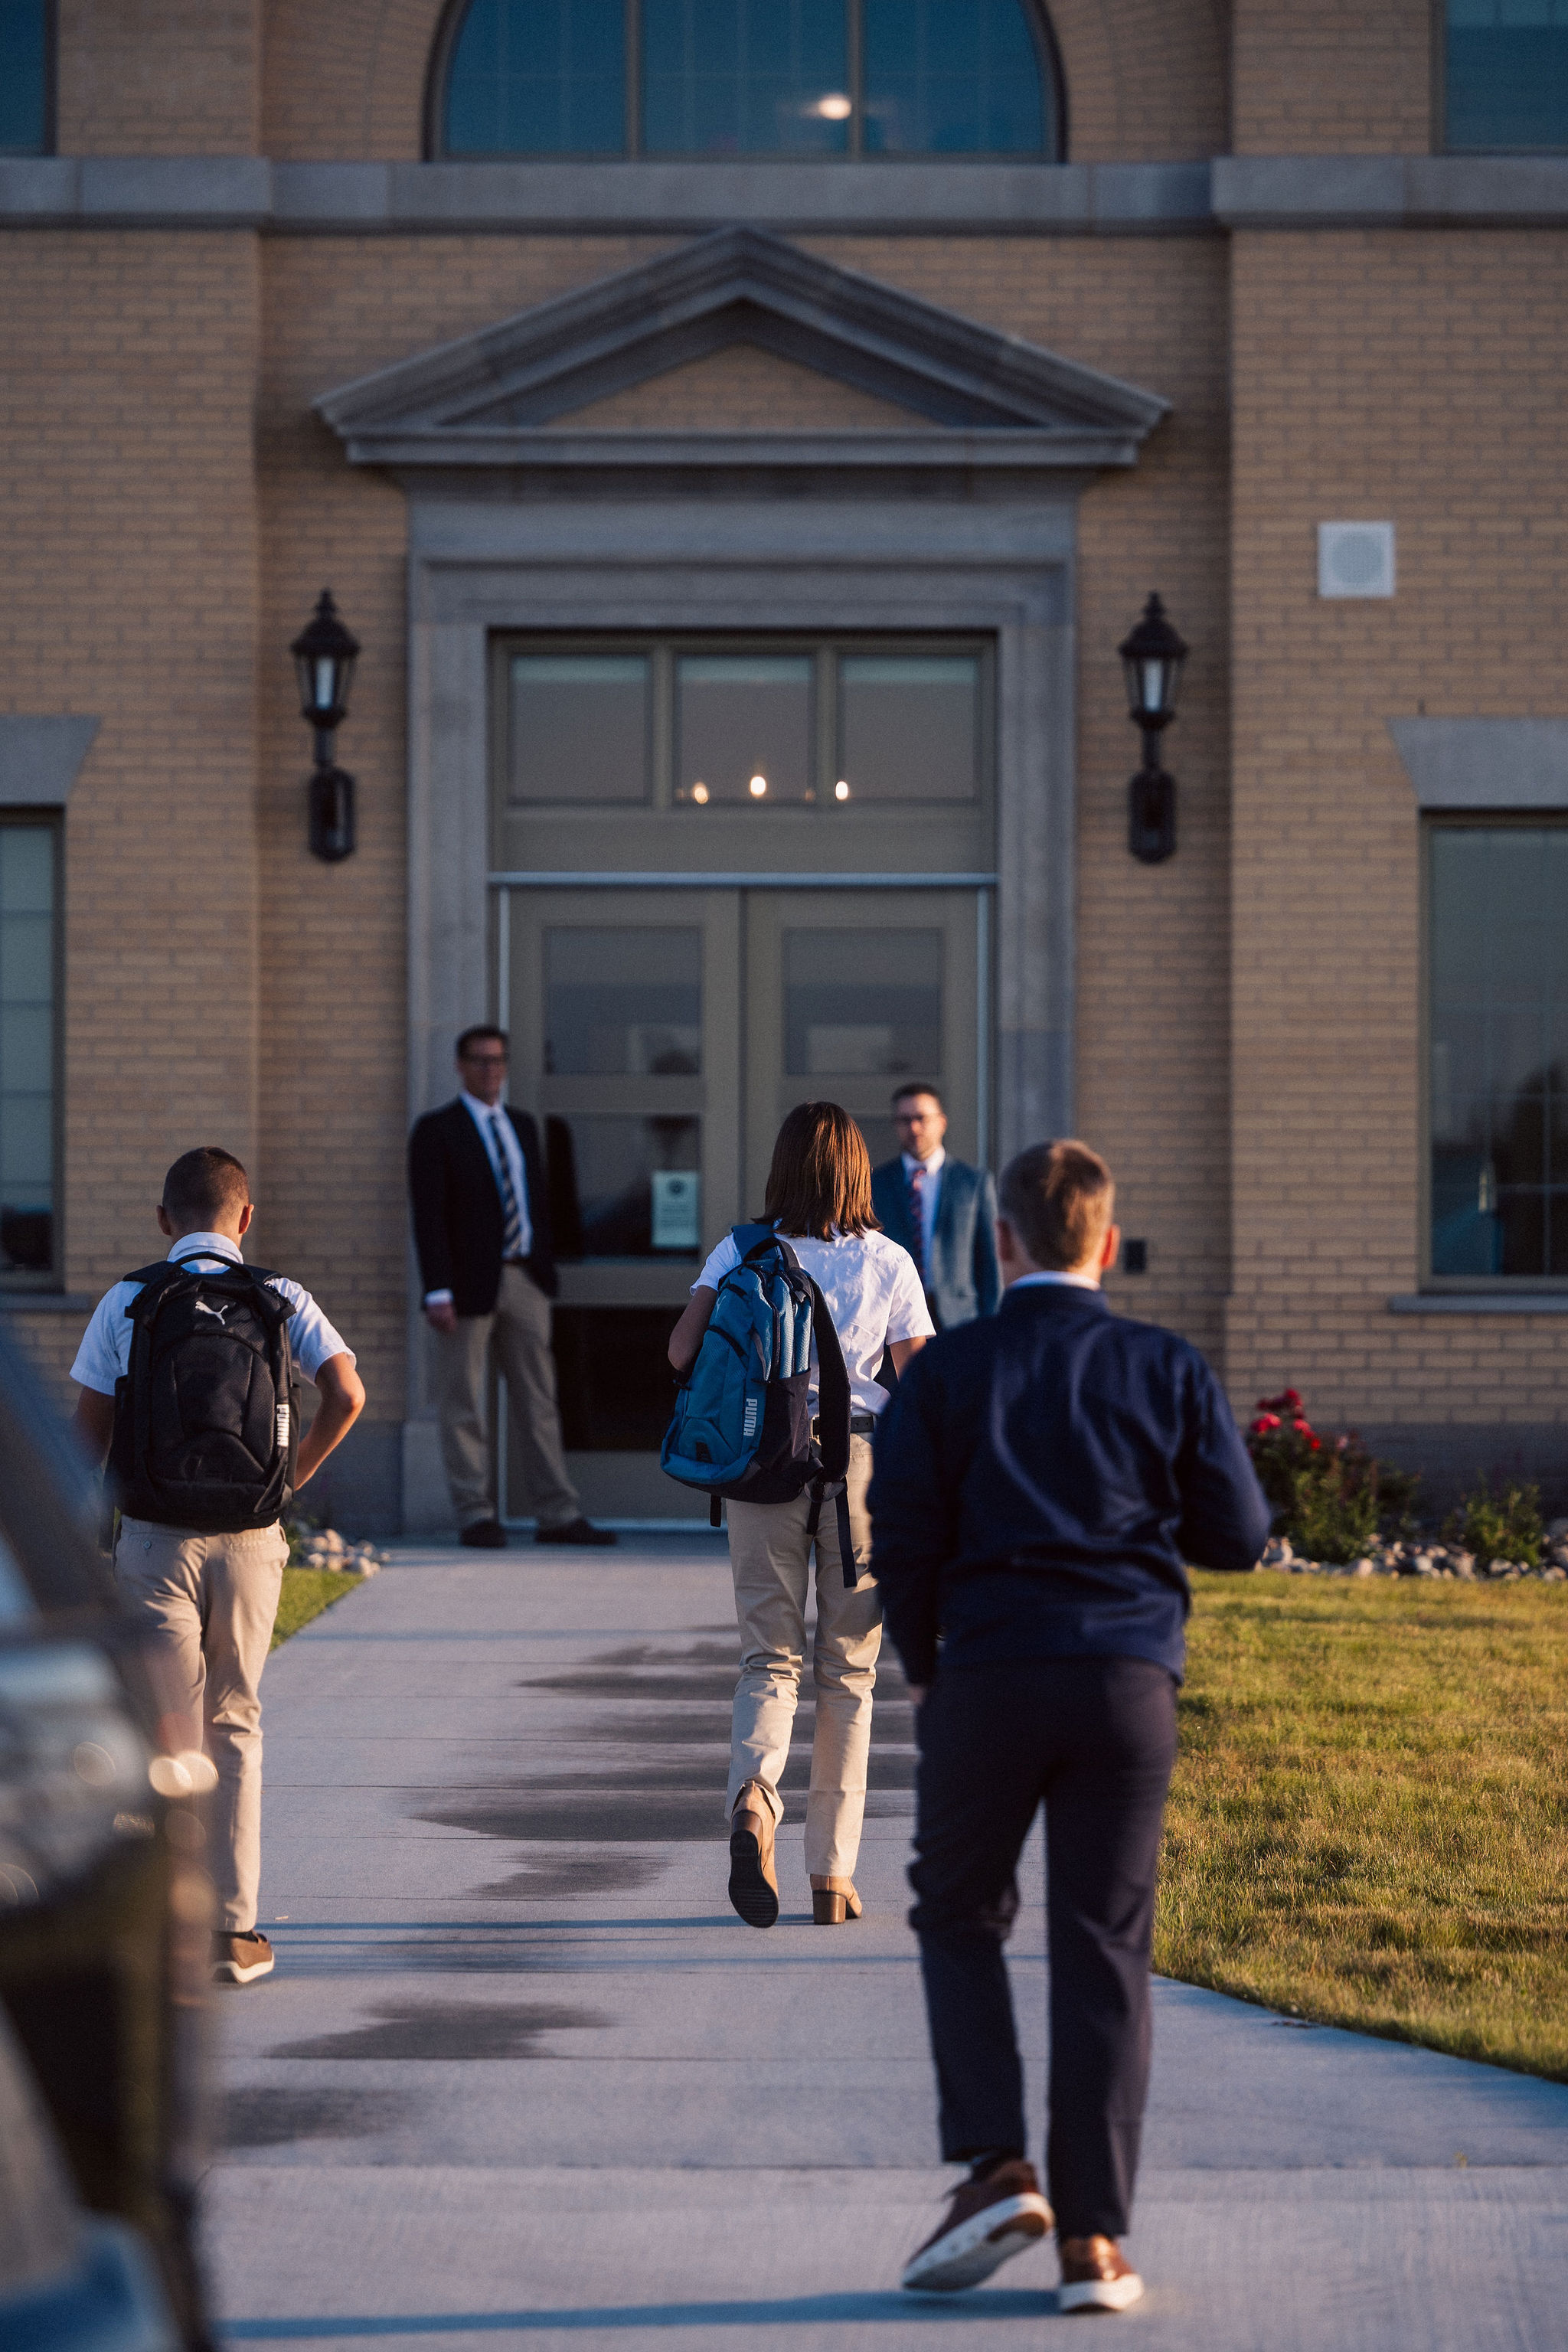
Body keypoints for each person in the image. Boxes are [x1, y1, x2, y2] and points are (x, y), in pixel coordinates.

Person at [870, 1138, 1269, 2310]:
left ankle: (998, 2169)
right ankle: (1095, 2244)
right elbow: (1238, 1534)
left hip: (988, 1673)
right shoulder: (1164, 1364)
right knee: (1103, 1943)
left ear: (1000, 1243)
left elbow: (903, 1538)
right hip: (1126, 1680)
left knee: (958, 1912)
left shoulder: (946, 1374)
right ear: (1103, 1238)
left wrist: (928, 1667)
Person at [70, 1147, 365, 1987]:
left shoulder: (129, 1298)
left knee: (160, 1728)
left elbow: (85, 1438)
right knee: (235, 1724)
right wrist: (287, 1479)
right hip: (249, 1538)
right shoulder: (281, 1297)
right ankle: (233, 1935)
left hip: (156, 1536)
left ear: (165, 1221)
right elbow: (348, 1393)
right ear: (245, 1218)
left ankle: (163, 1922)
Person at [668, 1102, 933, 1929]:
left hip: (761, 1469)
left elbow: (681, 1352)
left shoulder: (741, 1249)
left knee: (767, 1659)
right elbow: (920, 1388)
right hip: (857, 1472)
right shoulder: (887, 1260)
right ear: (857, 1168)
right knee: (847, 1674)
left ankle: (753, 1801)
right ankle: (832, 1877)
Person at [407, 1024, 612, 1550]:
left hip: (525, 1279)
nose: (490, 1070)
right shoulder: (437, 1130)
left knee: (539, 1400)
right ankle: (475, 1514)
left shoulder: (523, 1127)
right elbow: (428, 1217)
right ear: (460, 1066)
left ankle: (557, 1514)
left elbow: (542, 1203)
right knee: (463, 1403)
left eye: (498, 1061)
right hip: (465, 1286)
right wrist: (437, 1290)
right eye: (479, 1061)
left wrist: (548, 1268)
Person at [870, 1084, 1000, 1330]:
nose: (914, 1128)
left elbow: (990, 1262)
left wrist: (991, 1327)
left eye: (921, 1118)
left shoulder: (973, 1183)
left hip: (959, 1319)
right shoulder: (877, 1183)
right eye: (904, 1120)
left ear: (941, 1122)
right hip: (894, 1319)